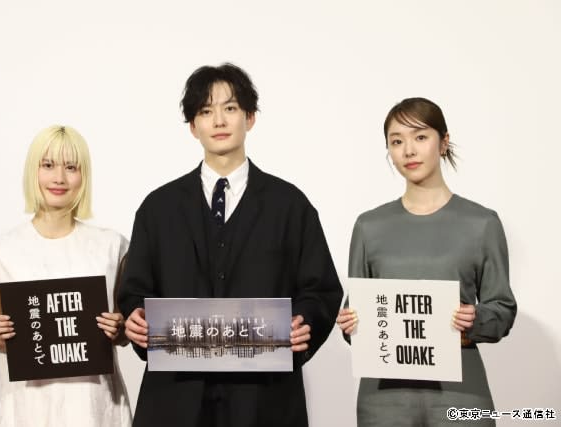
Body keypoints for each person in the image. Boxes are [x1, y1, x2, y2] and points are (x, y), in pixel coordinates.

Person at [118, 63, 343, 427]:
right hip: (177, 398)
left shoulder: (290, 205)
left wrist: (304, 321)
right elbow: (135, 290)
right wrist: (136, 318)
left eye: (230, 108)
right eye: (206, 111)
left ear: (250, 118)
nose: (219, 120)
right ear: (193, 126)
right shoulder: (157, 208)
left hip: (264, 399)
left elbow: (320, 289)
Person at [336, 97, 517, 426]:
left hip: (460, 391)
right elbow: (359, 312)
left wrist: (475, 318)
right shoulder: (369, 226)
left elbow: (502, 309)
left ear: (443, 142)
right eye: (396, 141)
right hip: (383, 399)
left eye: (420, 137)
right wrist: (351, 323)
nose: (408, 150)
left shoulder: (482, 223)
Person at [0, 125, 132, 427]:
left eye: (71, 167)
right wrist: (0, 332)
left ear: (83, 175)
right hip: (28, 407)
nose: (59, 178)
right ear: (32, 171)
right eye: (48, 165)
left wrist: (120, 328)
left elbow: (126, 328)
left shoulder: (112, 247)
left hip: (95, 406)